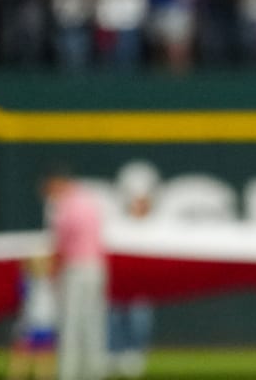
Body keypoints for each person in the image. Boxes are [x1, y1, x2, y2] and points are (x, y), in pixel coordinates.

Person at [43, 165, 108, 380]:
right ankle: (94, 372)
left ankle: (67, 374)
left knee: (70, 325)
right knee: (92, 323)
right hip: (96, 267)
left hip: (76, 268)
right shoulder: (89, 200)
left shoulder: (64, 204)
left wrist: (54, 268)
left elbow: (61, 241)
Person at [107, 161, 159, 379]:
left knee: (139, 318)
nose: (139, 204)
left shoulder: (156, 224)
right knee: (115, 317)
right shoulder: (119, 222)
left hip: (142, 281)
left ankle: (135, 353)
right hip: (121, 280)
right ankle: (114, 353)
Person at [6, 254, 58, 380]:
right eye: (38, 263)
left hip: (47, 325)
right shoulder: (28, 282)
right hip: (30, 325)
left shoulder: (51, 282)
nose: (42, 266)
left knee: (44, 360)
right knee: (21, 358)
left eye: (44, 263)